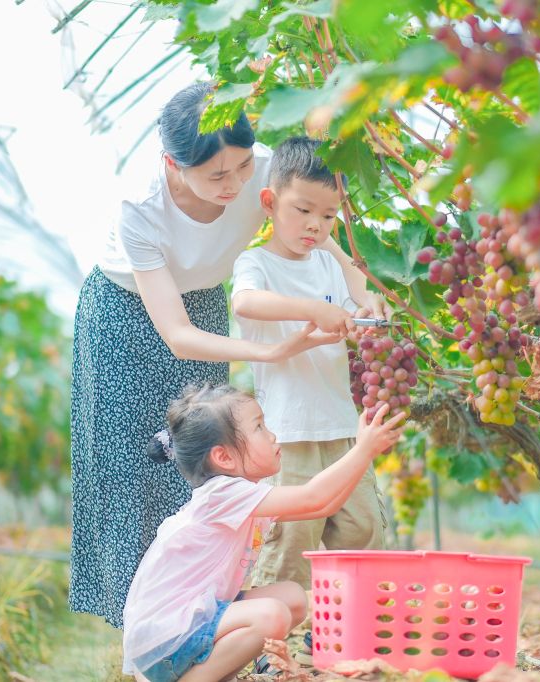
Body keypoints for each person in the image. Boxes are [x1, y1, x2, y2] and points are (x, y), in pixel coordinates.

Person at [69, 82, 386, 629]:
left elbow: (316, 216)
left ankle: (206, 613)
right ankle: (140, 625)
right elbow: (177, 334)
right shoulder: (140, 210)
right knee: (127, 466)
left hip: (206, 306)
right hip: (124, 315)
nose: (235, 183)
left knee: (200, 461)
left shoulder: (258, 169)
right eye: (218, 176)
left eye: (243, 169)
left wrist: (359, 287)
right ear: (173, 163)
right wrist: (273, 347)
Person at [122, 385, 404, 682]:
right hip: (165, 641)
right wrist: (362, 449)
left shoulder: (242, 494)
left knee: (293, 599)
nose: (271, 435)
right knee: (272, 615)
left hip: (185, 625)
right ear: (224, 457)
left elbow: (325, 506)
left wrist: (363, 455)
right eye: (259, 427)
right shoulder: (222, 493)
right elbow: (314, 498)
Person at [230, 137, 388, 602]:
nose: (315, 225)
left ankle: (344, 635)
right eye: (303, 210)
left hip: (341, 430)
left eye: (328, 216)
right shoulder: (255, 262)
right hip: (290, 435)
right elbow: (245, 302)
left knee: (363, 532)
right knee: (290, 545)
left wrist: (364, 319)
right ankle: (270, 647)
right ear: (270, 202)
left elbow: (348, 311)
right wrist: (309, 310)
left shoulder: (328, 265)